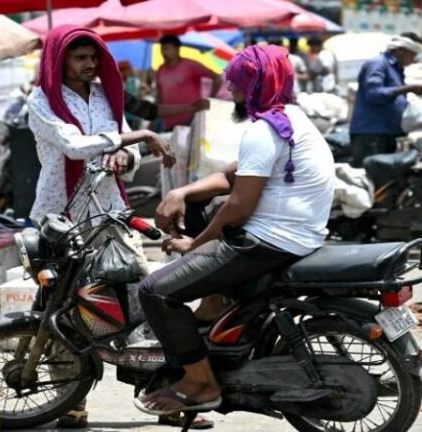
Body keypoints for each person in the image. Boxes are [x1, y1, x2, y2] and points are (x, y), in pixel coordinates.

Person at [28, 24, 213, 430]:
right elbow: (75, 145)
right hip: (63, 216)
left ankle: (164, 397)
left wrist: (124, 158)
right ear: (60, 61)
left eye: (93, 57)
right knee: (61, 310)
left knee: (143, 304)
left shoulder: (103, 96)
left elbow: (120, 150)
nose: (90, 64)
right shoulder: (41, 100)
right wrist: (140, 134)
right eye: (80, 58)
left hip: (111, 211)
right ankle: (69, 404)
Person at [135, 45, 334, 415]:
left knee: (155, 292)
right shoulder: (290, 118)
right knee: (201, 203)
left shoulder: (263, 131)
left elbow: (238, 208)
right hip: (294, 233)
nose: (232, 93)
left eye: (239, 86)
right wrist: (180, 192)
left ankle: (200, 383)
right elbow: (230, 177)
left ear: (257, 86)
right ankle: (215, 303)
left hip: (266, 241)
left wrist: (194, 246)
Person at [349, 33, 422, 168]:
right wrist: (407, 89)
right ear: (401, 50)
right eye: (412, 54)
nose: (413, 59)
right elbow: (374, 94)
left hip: (388, 133)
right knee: (370, 180)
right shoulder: (378, 64)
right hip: (371, 134)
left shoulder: (397, 69)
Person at [156, 35, 222, 131]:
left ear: (177, 49)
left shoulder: (190, 65)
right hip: (169, 123)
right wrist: (155, 115)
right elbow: (159, 95)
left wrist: (210, 99)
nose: (164, 52)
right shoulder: (161, 70)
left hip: (191, 120)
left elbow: (217, 78)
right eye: (162, 49)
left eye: (167, 49)